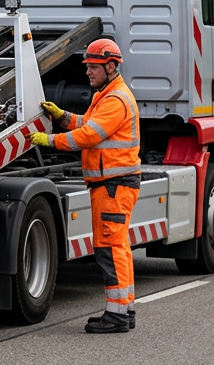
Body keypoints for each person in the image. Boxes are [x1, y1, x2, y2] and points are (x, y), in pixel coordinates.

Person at [29, 39, 141, 333]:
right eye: (88, 66)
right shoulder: (105, 95)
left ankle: (116, 316)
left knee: (109, 248)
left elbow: (89, 135)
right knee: (118, 248)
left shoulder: (115, 100)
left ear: (111, 66)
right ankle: (124, 311)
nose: (88, 72)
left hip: (113, 185)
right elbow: (85, 123)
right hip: (112, 185)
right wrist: (62, 116)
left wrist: (50, 140)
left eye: (93, 67)